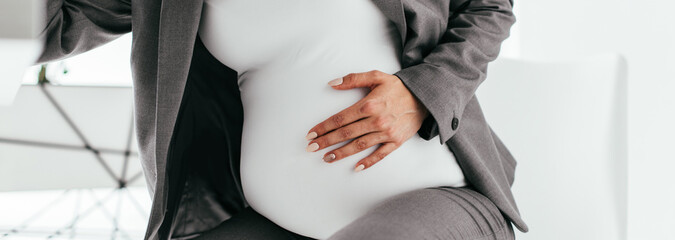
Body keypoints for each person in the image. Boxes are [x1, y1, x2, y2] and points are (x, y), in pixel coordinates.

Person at [35, 0, 529, 239]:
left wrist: (425, 92)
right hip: (274, 224)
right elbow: (48, 26)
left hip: (439, 202)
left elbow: (489, 7)